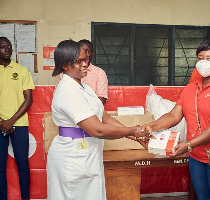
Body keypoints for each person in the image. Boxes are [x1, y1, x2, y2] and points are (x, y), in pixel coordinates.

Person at [47, 40, 149, 200]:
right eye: (78, 61)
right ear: (65, 65)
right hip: (72, 157)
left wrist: (135, 137)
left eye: (85, 59)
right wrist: (131, 130)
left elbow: (104, 117)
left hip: (87, 154)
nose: (85, 64)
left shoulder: (84, 87)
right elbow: (98, 129)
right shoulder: (67, 91)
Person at [144, 40, 210, 200]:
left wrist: (188, 145)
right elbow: (173, 116)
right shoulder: (190, 88)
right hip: (195, 155)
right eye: (200, 58)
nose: (204, 63)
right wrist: (150, 127)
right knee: (202, 197)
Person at [0, 37, 35, 200]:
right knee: (0, 167)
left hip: (19, 124)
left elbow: (28, 100)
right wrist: (2, 122)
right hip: (0, 124)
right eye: (3, 47)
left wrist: (10, 121)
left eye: (9, 46)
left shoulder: (22, 71)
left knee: (23, 165)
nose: (7, 49)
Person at [57, 39, 108, 104]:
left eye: (88, 51)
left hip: (91, 112)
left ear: (92, 53)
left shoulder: (99, 73)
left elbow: (101, 100)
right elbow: (59, 97)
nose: (85, 54)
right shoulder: (65, 72)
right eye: (81, 52)